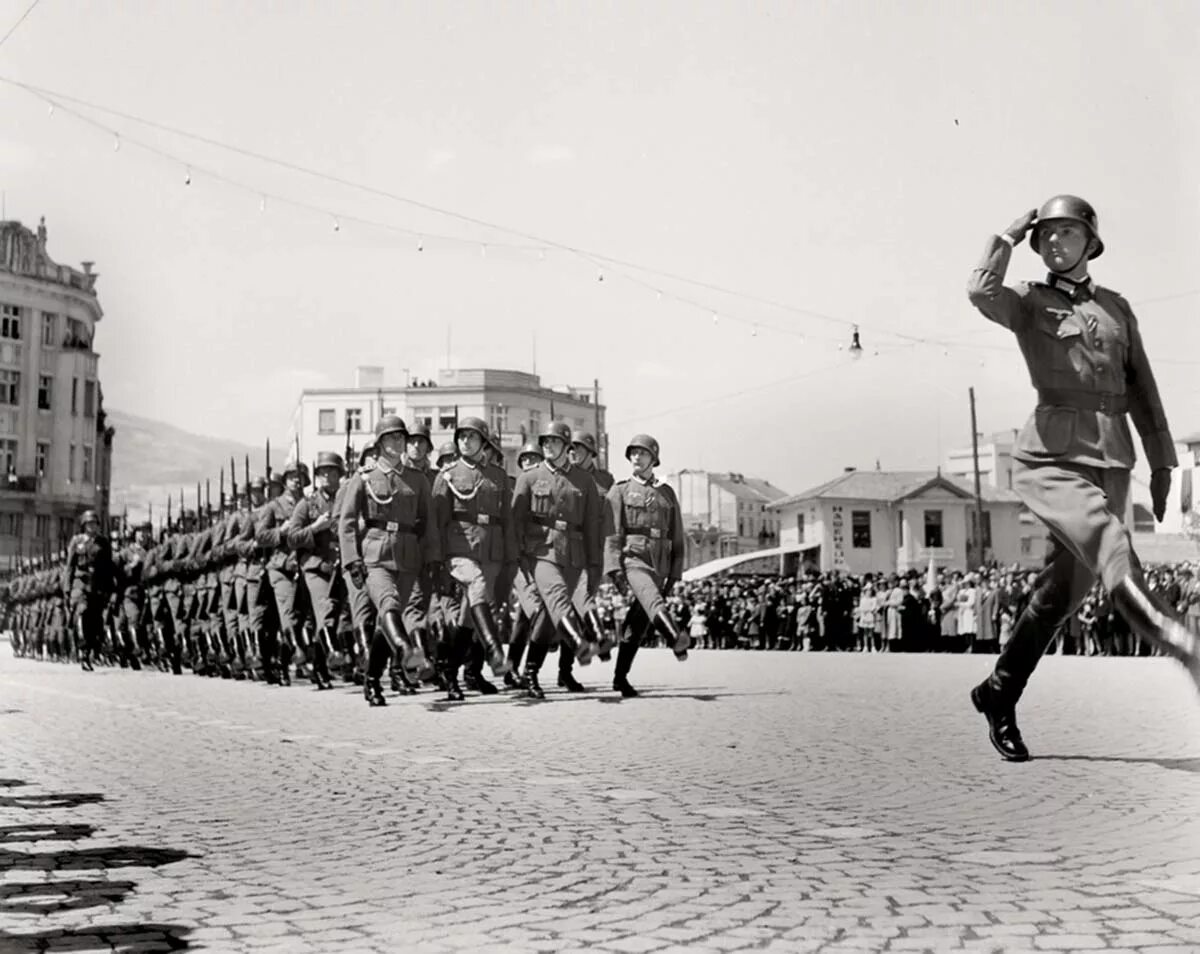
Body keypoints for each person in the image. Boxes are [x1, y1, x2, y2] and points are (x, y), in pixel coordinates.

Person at [966, 194, 1200, 762]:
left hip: (1112, 456)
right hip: (1050, 455)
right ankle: (1184, 644)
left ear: (1090, 243)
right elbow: (980, 291)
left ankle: (998, 692)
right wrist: (1008, 233)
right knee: (1110, 542)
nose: (1053, 242)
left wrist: (1163, 461)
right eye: (1045, 234)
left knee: (1062, 592)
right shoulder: (1025, 299)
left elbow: (1142, 387)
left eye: (1066, 233)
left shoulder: (1117, 308)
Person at [339, 415, 439, 706]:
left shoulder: (417, 479)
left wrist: (432, 559)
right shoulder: (365, 477)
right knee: (389, 604)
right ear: (380, 442)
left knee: (386, 621)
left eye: (401, 437)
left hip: (408, 557)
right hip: (375, 556)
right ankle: (409, 652)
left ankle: (372, 680)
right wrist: (351, 560)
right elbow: (346, 523)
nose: (398, 442)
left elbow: (429, 523)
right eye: (391, 437)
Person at [510, 420, 602, 699]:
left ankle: (530, 674)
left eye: (554, 442)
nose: (549, 446)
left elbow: (591, 527)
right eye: (545, 442)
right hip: (541, 552)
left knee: (549, 619)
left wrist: (594, 564)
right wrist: (518, 556)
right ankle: (580, 643)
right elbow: (516, 521)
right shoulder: (528, 477)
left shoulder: (584, 481)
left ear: (566, 446)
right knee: (558, 599)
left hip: (573, 553)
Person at [429, 416, 513, 701]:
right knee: (475, 586)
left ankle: (452, 675)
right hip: (460, 549)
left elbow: (508, 520)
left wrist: (510, 556)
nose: (465, 441)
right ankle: (494, 650)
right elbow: (436, 523)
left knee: (467, 619)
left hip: (491, 550)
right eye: (462, 437)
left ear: (484, 443)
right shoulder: (447, 474)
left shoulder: (499, 477)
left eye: (472, 437)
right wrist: (438, 560)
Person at [602, 433, 689, 697]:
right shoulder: (620, 490)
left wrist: (675, 573)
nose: (636, 457)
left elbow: (677, 536)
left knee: (636, 625)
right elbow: (612, 534)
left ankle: (620, 678)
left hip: (660, 563)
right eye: (633, 453)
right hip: (634, 559)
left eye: (642, 453)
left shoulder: (666, 492)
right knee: (653, 601)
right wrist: (614, 569)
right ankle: (675, 637)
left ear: (654, 458)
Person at [285, 451, 347, 690]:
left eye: (331, 471)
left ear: (340, 475)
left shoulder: (345, 499)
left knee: (332, 619)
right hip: (314, 566)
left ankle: (319, 667)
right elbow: (292, 538)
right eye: (322, 472)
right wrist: (315, 527)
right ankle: (332, 656)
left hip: (338, 566)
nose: (326, 475)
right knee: (326, 611)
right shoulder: (307, 504)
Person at [62, 510, 115, 671]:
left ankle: (91, 649)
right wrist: (67, 587)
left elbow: (108, 567)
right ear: (84, 525)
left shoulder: (103, 543)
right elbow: (70, 566)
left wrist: (109, 589)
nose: (93, 526)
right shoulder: (77, 541)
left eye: (95, 523)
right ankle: (84, 652)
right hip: (80, 583)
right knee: (82, 613)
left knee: (95, 622)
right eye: (89, 523)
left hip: (97, 585)